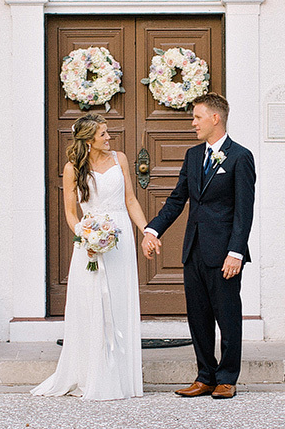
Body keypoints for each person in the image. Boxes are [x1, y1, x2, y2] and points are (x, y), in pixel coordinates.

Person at [142, 93, 255, 400]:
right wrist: (153, 230)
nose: (192, 123)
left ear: (215, 118)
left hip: (224, 254)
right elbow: (178, 199)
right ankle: (204, 375)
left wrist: (236, 252)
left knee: (228, 315)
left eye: (197, 117)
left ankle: (227, 378)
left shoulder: (240, 157)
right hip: (193, 249)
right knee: (198, 316)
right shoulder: (193, 156)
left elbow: (245, 211)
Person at [32, 114, 147, 400]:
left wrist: (147, 231)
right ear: (88, 141)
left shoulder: (120, 159)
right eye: (103, 135)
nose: (109, 138)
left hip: (120, 239)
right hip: (90, 241)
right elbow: (71, 214)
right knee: (92, 304)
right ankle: (92, 375)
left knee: (120, 301)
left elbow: (130, 200)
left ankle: (122, 379)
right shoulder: (73, 169)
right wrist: (86, 238)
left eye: (107, 133)